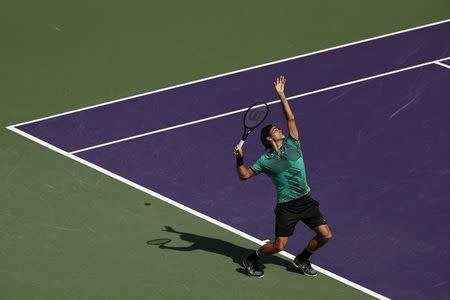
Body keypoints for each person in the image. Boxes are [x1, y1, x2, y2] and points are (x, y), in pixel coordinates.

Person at [234, 76, 332, 277]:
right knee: (279, 246)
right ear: (270, 138)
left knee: (325, 235)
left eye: (279, 128)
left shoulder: (293, 144)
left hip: (305, 200)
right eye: (276, 130)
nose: (280, 129)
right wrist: (239, 160)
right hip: (287, 206)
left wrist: (282, 95)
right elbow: (244, 176)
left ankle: (302, 258)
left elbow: (291, 119)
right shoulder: (265, 161)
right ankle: (252, 258)